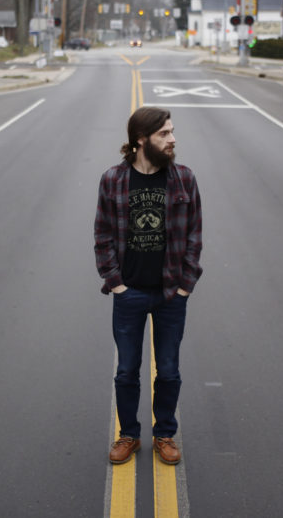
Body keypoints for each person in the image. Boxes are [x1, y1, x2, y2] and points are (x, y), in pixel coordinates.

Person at [94, 106, 203, 465]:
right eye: (164, 134)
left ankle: (165, 434)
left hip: (172, 293)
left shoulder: (184, 179)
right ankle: (128, 434)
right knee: (127, 371)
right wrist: (116, 283)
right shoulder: (113, 180)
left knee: (168, 370)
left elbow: (193, 236)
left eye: (172, 132)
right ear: (141, 139)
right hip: (130, 293)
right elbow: (103, 235)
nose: (173, 139)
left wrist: (186, 284)